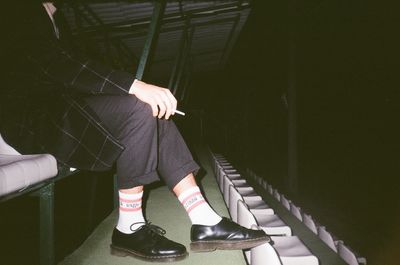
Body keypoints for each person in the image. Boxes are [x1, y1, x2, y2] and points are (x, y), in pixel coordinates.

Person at [0, 1, 270, 262]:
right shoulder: (17, 8)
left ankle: (204, 220)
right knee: (138, 106)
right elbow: (57, 65)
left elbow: (73, 74)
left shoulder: (58, 19)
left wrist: (134, 90)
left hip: (62, 110)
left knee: (153, 110)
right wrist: (133, 85)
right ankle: (128, 227)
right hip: (29, 120)